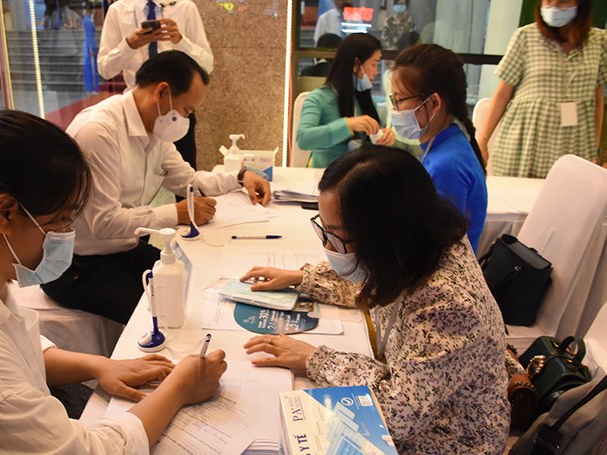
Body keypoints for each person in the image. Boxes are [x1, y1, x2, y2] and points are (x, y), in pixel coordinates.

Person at [0, 109, 228, 453]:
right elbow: (85, 450)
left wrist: (98, 364)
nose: (68, 234)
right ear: (5, 213)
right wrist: (180, 387)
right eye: (61, 220)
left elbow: (14, 346)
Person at [242, 146, 509, 454]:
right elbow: (374, 282)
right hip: (423, 404)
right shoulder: (419, 246)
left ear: (384, 235)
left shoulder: (448, 302)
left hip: (452, 439)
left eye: (336, 235)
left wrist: (314, 359)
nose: (329, 246)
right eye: (324, 230)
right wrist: (302, 278)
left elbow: (397, 413)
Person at [40, 50, 271, 324]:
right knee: (163, 315)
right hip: (79, 266)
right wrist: (176, 213)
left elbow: (190, 181)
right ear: (162, 92)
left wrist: (241, 177)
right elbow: (103, 222)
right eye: (187, 110)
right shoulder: (99, 132)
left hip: (124, 250)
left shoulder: (155, 131)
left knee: (198, 284)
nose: (186, 119)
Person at [477, 0, 607, 178]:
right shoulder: (525, 37)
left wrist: (595, 149)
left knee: (569, 199)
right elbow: (502, 93)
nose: (553, 7)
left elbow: (597, 100)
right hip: (525, 144)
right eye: (548, 1)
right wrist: (482, 142)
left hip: (575, 144)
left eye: (562, 2)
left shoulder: (599, 42)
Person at [390, 43, 487, 252]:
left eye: (399, 100)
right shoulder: (448, 144)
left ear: (434, 102)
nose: (393, 109)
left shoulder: (447, 165)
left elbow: (434, 252)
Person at [96, 0, 213, 170]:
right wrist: (128, 45)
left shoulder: (185, 7)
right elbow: (105, 69)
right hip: (138, 111)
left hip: (177, 107)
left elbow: (207, 66)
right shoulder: (118, 10)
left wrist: (180, 41)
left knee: (184, 175)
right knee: (132, 175)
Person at [297, 33, 396, 168]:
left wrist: (382, 137)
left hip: (358, 177)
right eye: (374, 65)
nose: (376, 72)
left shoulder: (366, 102)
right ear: (356, 65)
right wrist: (347, 125)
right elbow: (304, 139)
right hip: (322, 175)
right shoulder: (319, 98)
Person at [83, 1, 100, 93]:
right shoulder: (88, 21)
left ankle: (91, 87)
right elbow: (89, 35)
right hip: (89, 44)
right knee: (91, 67)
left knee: (90, 67)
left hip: (88, 43)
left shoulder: (88, 20)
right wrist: (92, 48)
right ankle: (92, 87)